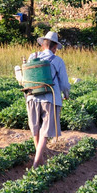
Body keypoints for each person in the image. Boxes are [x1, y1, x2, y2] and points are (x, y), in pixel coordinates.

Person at [25, 31, 70, 168]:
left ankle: (41, 161)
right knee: (45, 132)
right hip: (50, 98)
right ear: (55, 47)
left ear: (43, 45)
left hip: (32, 97)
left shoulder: (33, 56)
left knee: (36, 129)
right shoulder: (57, 60)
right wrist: (66, 94)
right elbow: (64, 83)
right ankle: (36, 162)